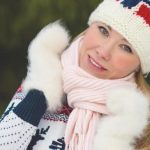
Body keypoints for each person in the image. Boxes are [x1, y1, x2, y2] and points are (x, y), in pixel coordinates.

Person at [0, 0, 150, 149]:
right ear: (90, 27)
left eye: (125, 47)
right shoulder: (42, 78)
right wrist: (40, 95)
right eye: (103, 30)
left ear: (139, 66)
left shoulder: (136, 127)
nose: (103, 52)